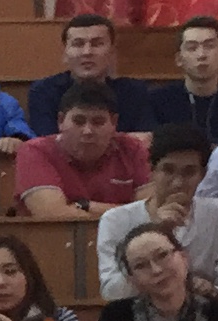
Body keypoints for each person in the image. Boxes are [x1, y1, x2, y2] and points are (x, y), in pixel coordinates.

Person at [95, 123, 218, 299]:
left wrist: (211, 292)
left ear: (203, 174)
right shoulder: (115, 220)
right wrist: (155, 232)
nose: (178, 183)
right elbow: (111, 293)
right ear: (151, 169)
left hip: (205, 309)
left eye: (189, 172)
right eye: (168, 170)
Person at [11, 81, 149, 219]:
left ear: (114, 123)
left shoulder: (133, 149)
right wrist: (127, 211)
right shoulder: (35, 150)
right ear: (61, 121)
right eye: (78, 121)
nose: (88, 131)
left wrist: (85, 205)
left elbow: (150, 211)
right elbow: (52, 215)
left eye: (98, 122)